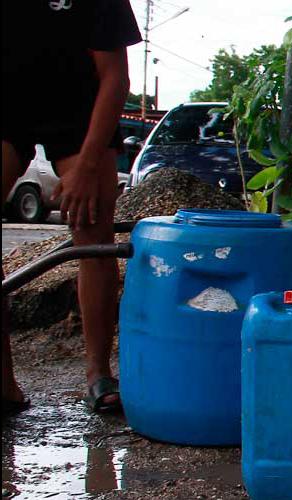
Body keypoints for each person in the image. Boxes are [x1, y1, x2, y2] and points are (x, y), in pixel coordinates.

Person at [3, 0, 142, 416]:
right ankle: (4, 383)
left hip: (80, 115)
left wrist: (86, 163)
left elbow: (115, 78)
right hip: (9, 109)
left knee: (93, 235)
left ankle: (98, 374)